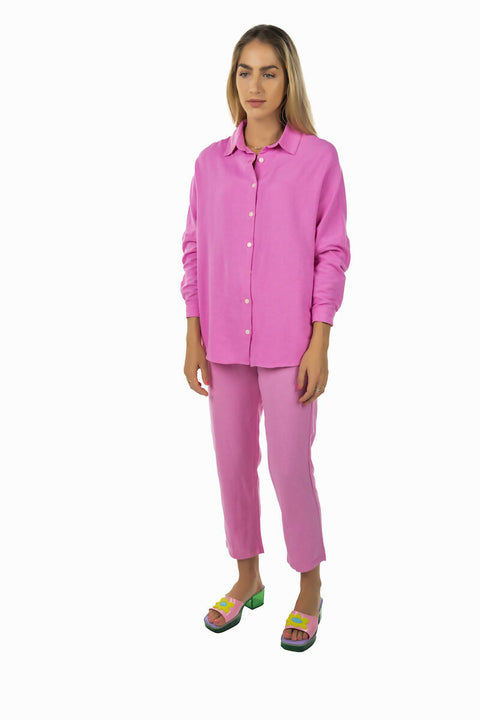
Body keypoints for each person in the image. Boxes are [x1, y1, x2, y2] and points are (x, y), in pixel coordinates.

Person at [180, 24, 351, 652]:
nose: (255, 85)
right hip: (223, 341)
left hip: (290, 345)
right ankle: (247, 576)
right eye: (245, 71)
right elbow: (194, 249)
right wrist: (193, 334)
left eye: (269, 72)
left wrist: (320, 341)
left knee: (288, 466)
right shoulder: (208, 164)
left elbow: (332, 252)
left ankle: (309, 587)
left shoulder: (319, 160)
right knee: (232, 465)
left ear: (288, 81)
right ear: (234, 80)